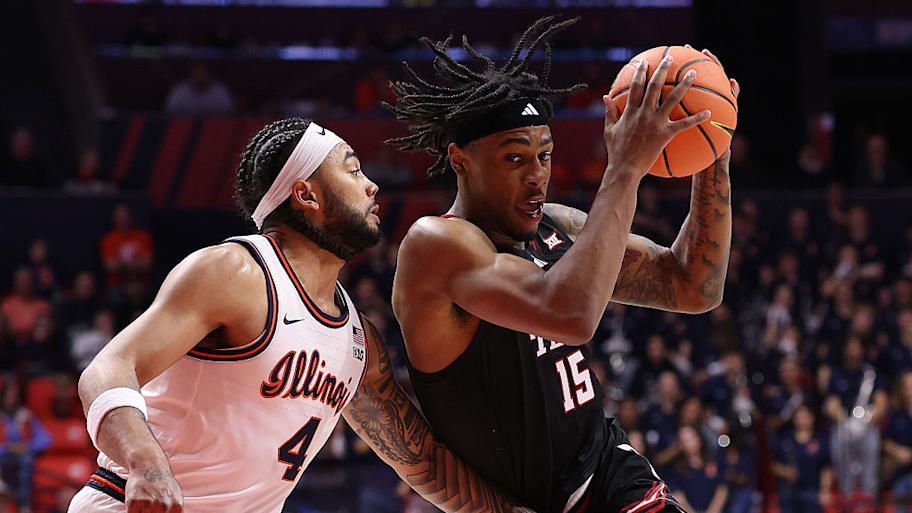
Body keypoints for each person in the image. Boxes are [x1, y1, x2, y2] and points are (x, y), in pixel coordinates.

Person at [68, 118, 533, 513]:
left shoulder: (358, 340)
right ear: (306, 194)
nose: (372, 185)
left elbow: (421, 460)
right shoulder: (238, 272)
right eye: (352, 170)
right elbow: (107, 370)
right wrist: (146, 464)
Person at [388, 17, 736, 513]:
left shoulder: (560, 226)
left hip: (611, 475)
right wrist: (625, 168)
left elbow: (694, 285)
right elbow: (569, 315)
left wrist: (711, 153)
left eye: (545, 156)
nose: (537, 177)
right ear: (460, 160)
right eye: (515, 160)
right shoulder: (437, 244)